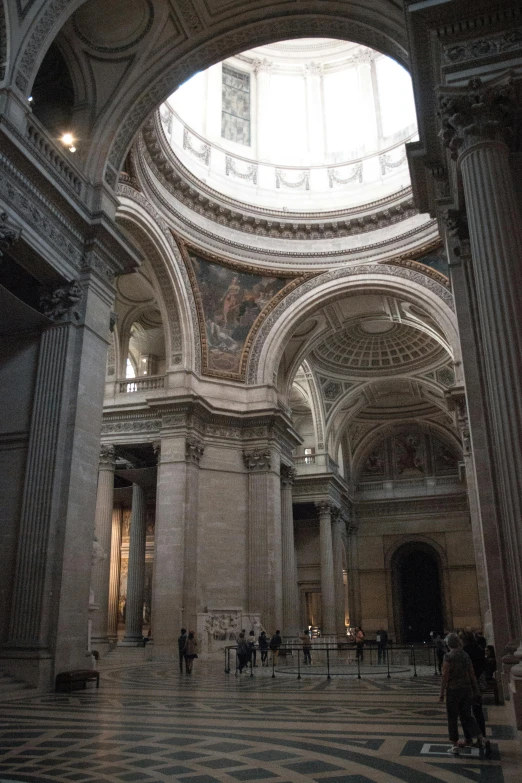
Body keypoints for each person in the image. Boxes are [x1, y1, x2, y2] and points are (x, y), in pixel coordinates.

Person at [439, 633, 490, 756]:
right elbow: (472, 674)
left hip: (453, 690)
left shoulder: (448, 656)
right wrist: (476, 690)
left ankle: (455, 745)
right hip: (467, 690)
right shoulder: (465, 655)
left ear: (448, 643)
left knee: (452, 718)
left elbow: (445, 676)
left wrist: (441, 692)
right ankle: (482, 738)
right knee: (467, 717)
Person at [462, 630, 487, 738]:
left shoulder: (464, 652)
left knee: (465, 712)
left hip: (467, 684)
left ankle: (469, 737)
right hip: (478, 683)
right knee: (478, 711)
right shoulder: (479, 649)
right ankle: (482, 735)